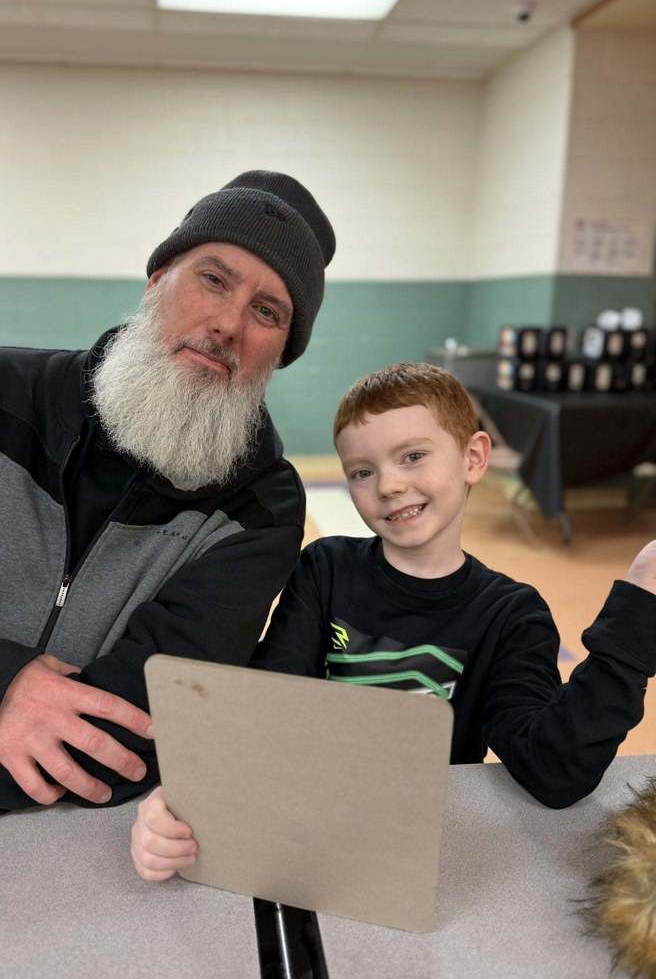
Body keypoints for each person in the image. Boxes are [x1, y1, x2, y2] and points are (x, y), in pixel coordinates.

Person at [0, 170, 336, 816]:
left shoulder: (260, 508)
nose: (228, 323)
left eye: (267, 312)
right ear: (157, 280)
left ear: (280, 354)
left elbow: (122, 742)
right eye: (214, 279)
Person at [131, 362, 656, 880]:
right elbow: (269, 706)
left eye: (412, 456)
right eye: (362, 471)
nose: (388, 485)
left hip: (416, 862)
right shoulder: (325, 569)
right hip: (306, 837)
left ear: (473, 458)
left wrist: (637, 614)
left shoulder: (511, 615)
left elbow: (553, 770)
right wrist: (181, 805)